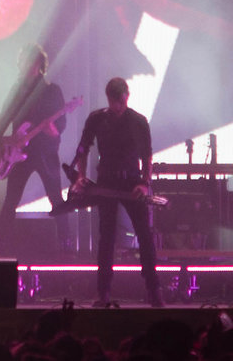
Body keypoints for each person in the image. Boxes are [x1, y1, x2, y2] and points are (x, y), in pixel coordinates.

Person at [68, 76, 161, 308]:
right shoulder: (97, 119)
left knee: (145, 236)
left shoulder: (138, 121)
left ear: (126, 97)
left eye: (120, 102)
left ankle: (153, 289)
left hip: (132, 183)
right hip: (106, 183)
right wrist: (80, 176)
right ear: (109, 99)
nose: (117, 107)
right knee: (106, 238)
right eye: (114, 103)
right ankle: (104, 292)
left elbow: (147, 155)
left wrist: (144, 183)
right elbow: (83, 148)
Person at [0, 45, 70, 248]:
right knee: (11, 200)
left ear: (37, 64)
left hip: (45, 152)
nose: (22, 66)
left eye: (26, 61)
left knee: (56, 199)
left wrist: (52, 130)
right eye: (21, 62)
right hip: (19, 152)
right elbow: (4, 114)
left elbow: (61, 124)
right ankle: (2, 245)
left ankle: (65, 244)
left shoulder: (52, 90)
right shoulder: (18, 90)